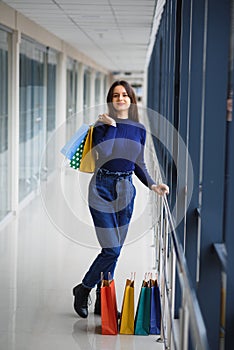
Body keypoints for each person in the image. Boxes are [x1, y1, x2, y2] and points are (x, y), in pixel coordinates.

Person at [72, 80, 169, 318]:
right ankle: (83, 289)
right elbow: (103, 155)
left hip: (126, 188)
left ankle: (102, 304)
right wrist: (112, 126)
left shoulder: (139, 129)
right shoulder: (101, 126)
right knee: (112, 249)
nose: (120, 98)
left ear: (131, 99)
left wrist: (153, 184)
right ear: (111, 99)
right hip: (101, 187)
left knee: (114, 250)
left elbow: (138, 163)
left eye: (125, 94)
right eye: (116, 95)